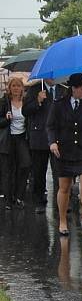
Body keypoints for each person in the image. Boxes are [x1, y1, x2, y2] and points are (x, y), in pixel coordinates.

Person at [46, 73, 82, 237]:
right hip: (64, 151)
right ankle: (62, 221)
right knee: (64, 188)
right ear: (74, 89)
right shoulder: (59, 104)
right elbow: (50, 126)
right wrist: (52, 142)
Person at [23, 77, 63, 213]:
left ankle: (61, 202)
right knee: (39, 171)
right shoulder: (34, 89)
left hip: (57, 137)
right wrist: (37, 101)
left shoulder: (62, 89)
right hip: (39, 136)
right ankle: (39, 200)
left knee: (59, 171)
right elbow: (25, 110)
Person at [0, 75, 32, 210]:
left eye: (18, 86)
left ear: (22, 88)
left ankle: (19, 196)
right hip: (8, 139)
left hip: (22, 138)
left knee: (25, 165)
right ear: (9, 88)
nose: (16, 88)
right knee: (8, 170)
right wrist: (6, 119)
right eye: (13, 86)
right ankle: (8, 199)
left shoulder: (26, 101)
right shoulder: (3, 102)